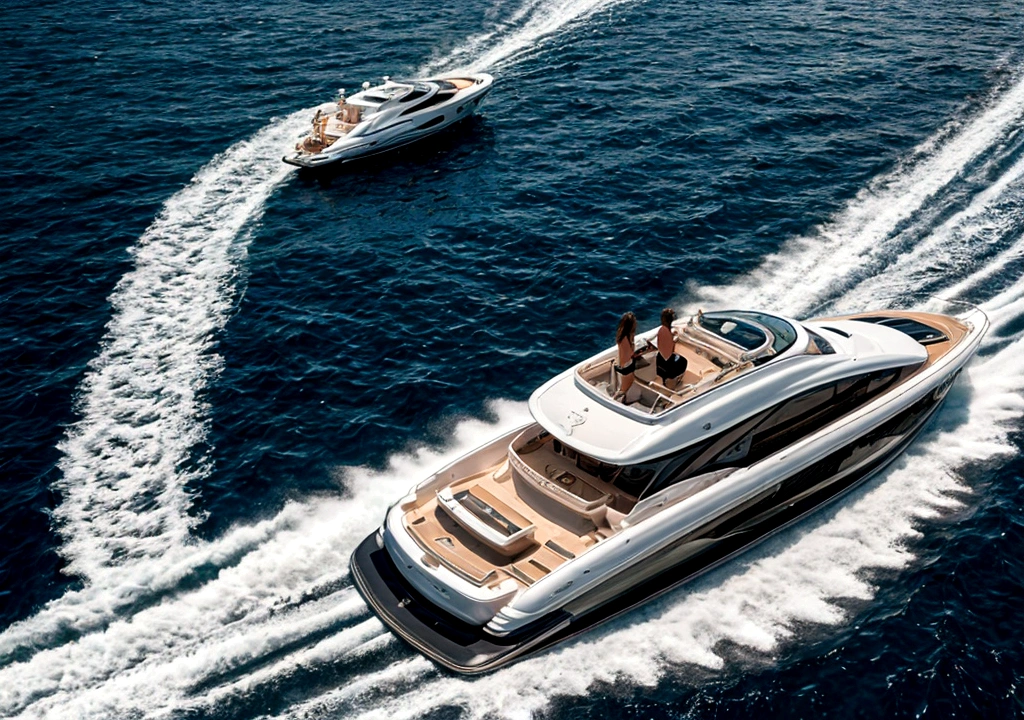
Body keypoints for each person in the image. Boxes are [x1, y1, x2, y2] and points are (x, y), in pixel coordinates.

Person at [656, 307, 688, 387]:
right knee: (683, 361)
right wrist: (674, 340)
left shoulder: (662, 329)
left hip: (659, 360)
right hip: (667, 365)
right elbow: (671, 351)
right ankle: (674, 380)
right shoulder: (667, 331)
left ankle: (665, 380)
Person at [615, 311, 641, 401]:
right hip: (626, 367)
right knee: (623, 389)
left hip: (626, 365)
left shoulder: (623, 335)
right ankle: (615, 401)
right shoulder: (625, 339)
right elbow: (629, 354)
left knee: (627, 386)